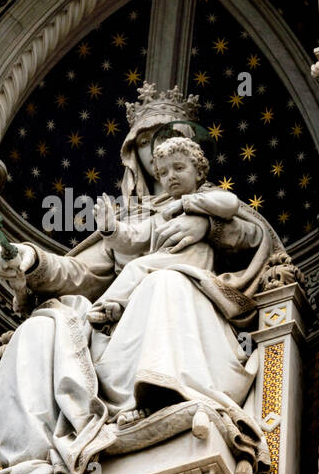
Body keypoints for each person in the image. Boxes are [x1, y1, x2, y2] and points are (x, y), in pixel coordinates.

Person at [0, 82, 280, 474]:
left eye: (167, 139)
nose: (157, 153)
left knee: (161, 282)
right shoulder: (138, 218)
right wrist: (30, 261)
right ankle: (33, 459)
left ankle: (164, 397)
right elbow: (81, 273)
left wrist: (209, 226)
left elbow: (257, 238)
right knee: (38, 329)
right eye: (146, 140)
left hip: (194, 309)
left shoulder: (208, 205)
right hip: (119, 321)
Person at [87, 134, 246, 330]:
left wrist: (186, 203)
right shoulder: (161, 215)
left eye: (179, 168)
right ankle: (120, 308)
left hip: (194, 259)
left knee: (136, 268)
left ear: (198, 172)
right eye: (163, 172)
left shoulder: (206, 197)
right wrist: (110, 228)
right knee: (142, 274)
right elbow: (133, 239)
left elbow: (231, 204)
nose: (171, 176)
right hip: (165, 261)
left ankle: (103, 307)